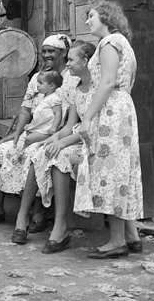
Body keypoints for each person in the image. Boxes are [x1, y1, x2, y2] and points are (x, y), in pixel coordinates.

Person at [0, 34, 76, 228]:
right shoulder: (37, 78)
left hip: (54, 133)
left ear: (63, 53)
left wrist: (55, 135)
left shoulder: (71, 78)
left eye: (51, 51)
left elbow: (69, 115)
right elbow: (25, 109)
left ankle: (38, 210)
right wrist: (15, 133)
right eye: (44, 51)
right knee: (4, 149)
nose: (46, 55)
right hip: (33, 130)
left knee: (35, 155)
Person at [72, 0, 143, 258]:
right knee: (121, 169)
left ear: (106, 17)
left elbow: (108, 81)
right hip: (120, 107)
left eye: (91, 16)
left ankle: (116, 241)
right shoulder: (122, 43)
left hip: (112, 109)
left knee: (110, 170)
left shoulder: (109, 43)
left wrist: (88, 117)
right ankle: (131, 235)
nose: (87, 21)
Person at [11, 40, 96, 248]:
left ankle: (60, 226)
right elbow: (69, 126)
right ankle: (22, 217)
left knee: (60, 157)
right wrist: (52, 139)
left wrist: (63, 142)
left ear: (86, 62)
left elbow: (90, 128)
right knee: (39, 153)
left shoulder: (98, 89)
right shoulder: (76, 88)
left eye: (70, 60)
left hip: (91, 140)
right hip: (74, 136)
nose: (67, 65)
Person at [0, 70, 63, 198]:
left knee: (28, 141)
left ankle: (20, 155)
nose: (38, 85)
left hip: (46, 130)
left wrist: (54, 127)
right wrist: (17, 132)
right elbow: (26, 110)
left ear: (51, 86)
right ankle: (4, 191)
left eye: (41, 83)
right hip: (37, 128)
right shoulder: (42, 96)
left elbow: (58, 114)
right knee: (7, 146)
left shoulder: (55, 98)